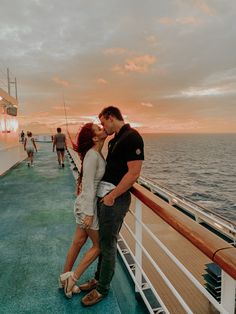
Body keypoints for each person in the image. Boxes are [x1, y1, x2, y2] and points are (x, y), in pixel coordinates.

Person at [80, 106, 144, 306]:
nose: (102, 127)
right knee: (103, 243)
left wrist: (111, 197)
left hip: (114, 200)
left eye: (102, 122)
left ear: (110, 117)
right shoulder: (117, 138)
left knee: (108, 245)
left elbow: (133, 173)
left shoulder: (132, 137)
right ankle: (99, 279)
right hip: (105, 198)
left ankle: (102, 289)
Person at [59, 122, 107, 298]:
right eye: (99, 129)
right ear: (95, 138)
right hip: (87, 206)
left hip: (84, 204)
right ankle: (73, 278)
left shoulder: (95, 153)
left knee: (78, 242)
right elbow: (88, 185)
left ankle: (64, 279)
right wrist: (89, 213)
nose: (103, 129)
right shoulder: (93, 155)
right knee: (99, 245)